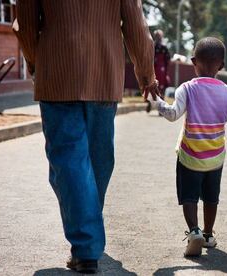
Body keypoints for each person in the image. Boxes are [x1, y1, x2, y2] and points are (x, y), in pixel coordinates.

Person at [14, 0, 159, 273]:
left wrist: (36, 60)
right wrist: (146, 74)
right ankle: (87, 237)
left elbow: (26, 25)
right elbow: (137, 26)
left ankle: (86, 244)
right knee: (97, 160)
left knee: (69, 163)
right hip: (104, 72)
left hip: (57, 73)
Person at [148, 37, 227, 257]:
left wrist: (156, 101)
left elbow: (172, 114)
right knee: (211, 197)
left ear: (194, 61)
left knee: (189, 196)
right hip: (215, 158)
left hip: (190, 156)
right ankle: (207, 234)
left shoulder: (186, 88)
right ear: (221, 66)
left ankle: (193, 231)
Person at [146, 29, 171, 113]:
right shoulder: (153, 46)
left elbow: (167, 60)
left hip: (160, 70)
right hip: (156, 70)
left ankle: (158, 107)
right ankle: (151, 103)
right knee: (154, 86)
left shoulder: (162, 48)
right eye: (158, 36)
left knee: (159, 88)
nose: (159, 38)